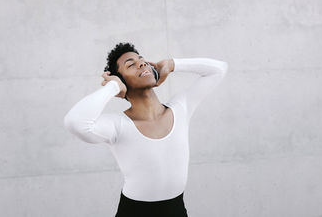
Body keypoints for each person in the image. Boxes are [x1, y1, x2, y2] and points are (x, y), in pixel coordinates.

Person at [63, 42, 228, 217]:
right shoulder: (118, 126)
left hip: (177, 211)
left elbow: (219, 69)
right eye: (131, 64)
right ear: (122, 80)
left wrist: (172, 64)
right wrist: (113, 87)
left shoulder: (181, 108)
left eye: (142, 60)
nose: (142, 63)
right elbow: (75, 122)